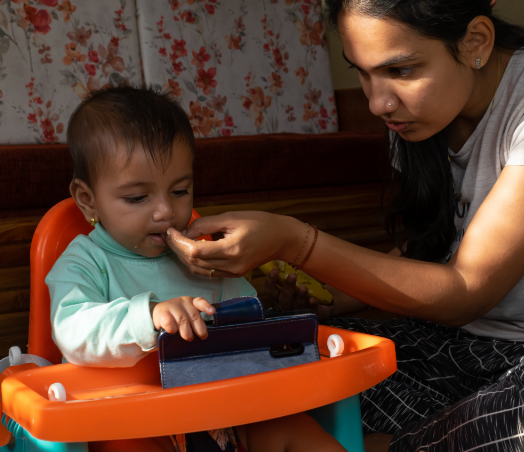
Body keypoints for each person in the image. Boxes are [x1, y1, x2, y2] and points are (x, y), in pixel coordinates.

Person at [163, 0, 524, 450]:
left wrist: (297, 241)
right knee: (293, 351)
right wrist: (330, 299)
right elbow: (437, 245)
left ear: (475, 40)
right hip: (456, 352)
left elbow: (466, 290)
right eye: (362, 72)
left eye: (400, 71)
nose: (378, 101)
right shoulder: (414, 119)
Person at [46, 85, 346, 452]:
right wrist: (151, 315)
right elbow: (73, 330)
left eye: (179, 191)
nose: (164, 212)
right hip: (131, 419)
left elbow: (249, 330)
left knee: (294, 428)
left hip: (224, 412)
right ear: (88, 200)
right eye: (138, 198)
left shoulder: (202, 259)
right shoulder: (83, 262)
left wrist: (256, 304)